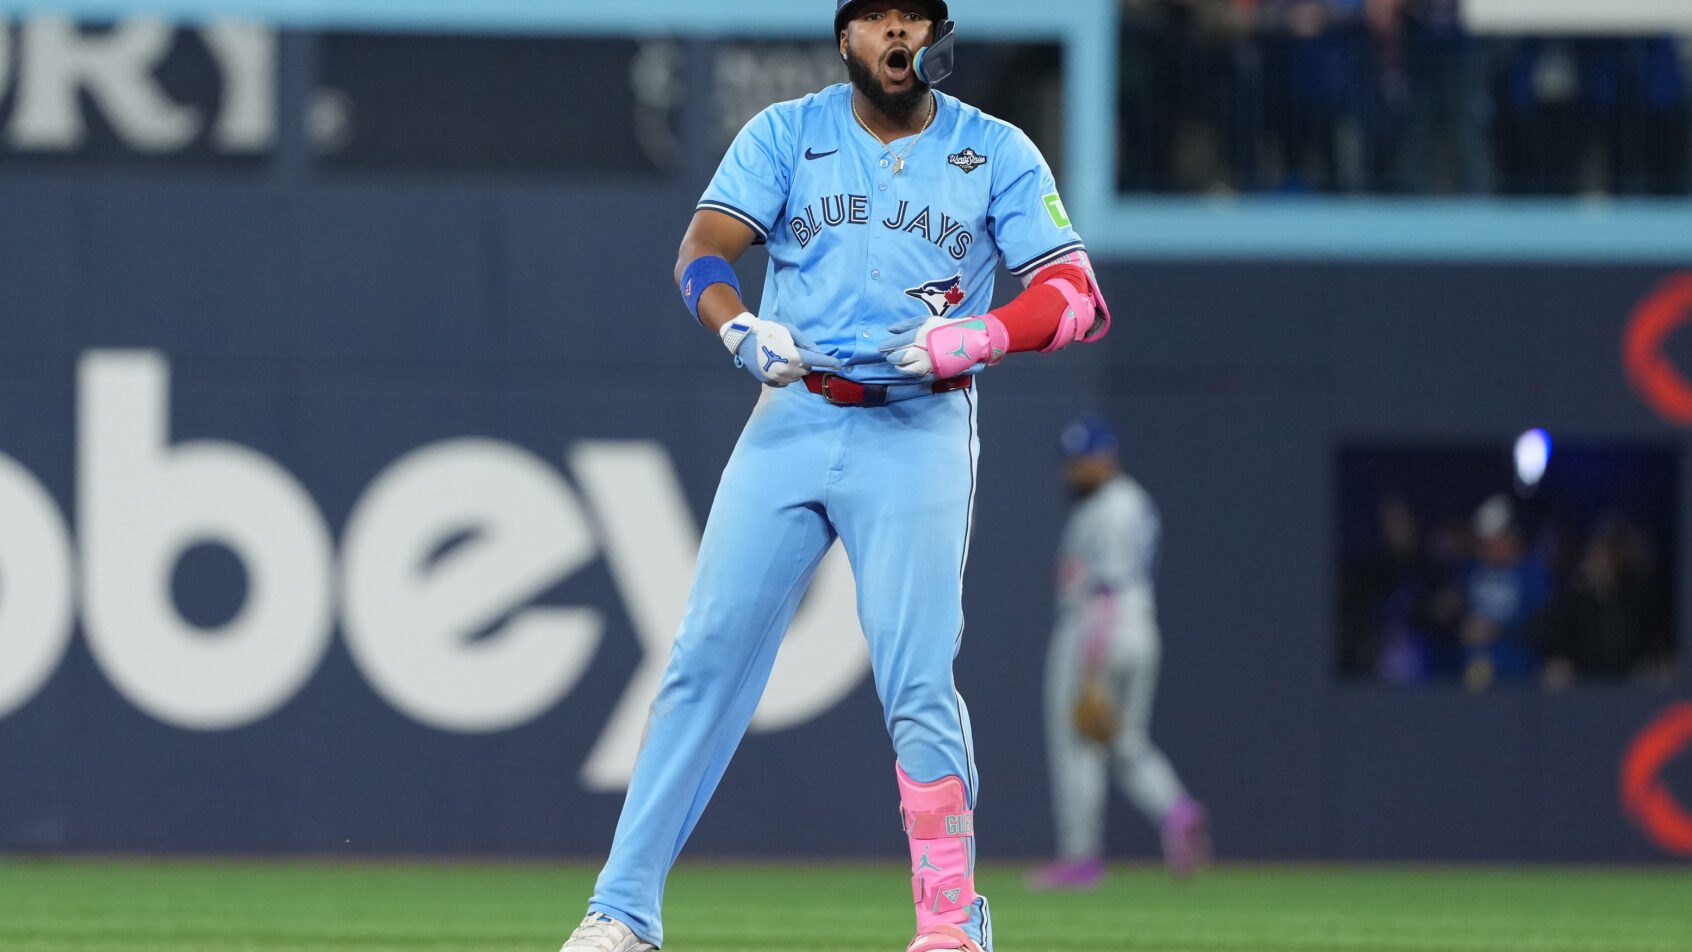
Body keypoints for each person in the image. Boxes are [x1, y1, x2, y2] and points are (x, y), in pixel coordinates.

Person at [558, 3, 1113, 951]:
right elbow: (703, 252)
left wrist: (979, 334)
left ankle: (950, 925)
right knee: (702, 661)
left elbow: (1077, 298)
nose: (897, 36)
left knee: (917, 679)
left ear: (940, 34)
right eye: (877, 18)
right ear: (844, 37)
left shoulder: (996, 149)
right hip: (795, 410)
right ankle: (622, 915)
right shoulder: (786, 132)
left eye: (915, 17)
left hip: (918, 424)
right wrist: (737, 324)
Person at [1027, 416, 1208, 890]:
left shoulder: (1107, 508)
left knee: (1076, 743)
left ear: (1104, 458)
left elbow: (1104, 586)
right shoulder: (1134, 501)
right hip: (1141, 623)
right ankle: (1176, 809)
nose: (1072, 470)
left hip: (1098, 624)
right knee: (1124, 740)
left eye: (1081, 460)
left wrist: (1090, 662)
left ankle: (1080, 858)